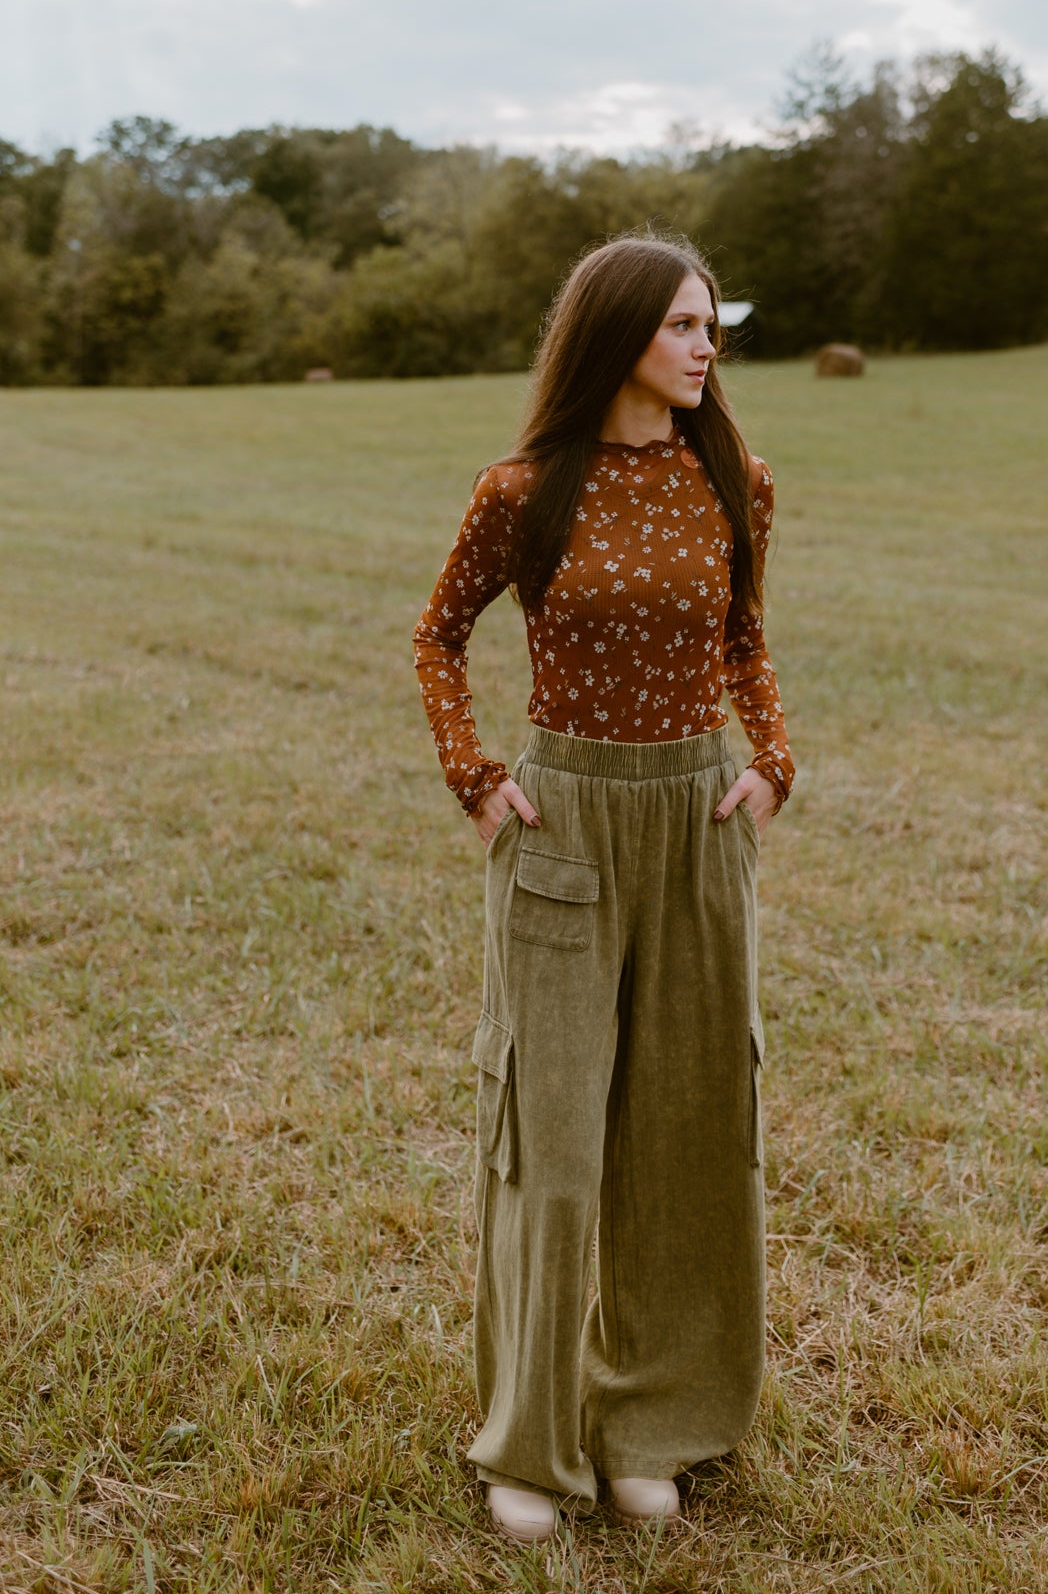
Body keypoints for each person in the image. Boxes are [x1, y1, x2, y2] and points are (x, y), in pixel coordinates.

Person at [412, 234, 795, 1543]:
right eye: (685, 325)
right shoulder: (524, 490)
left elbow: (745, 640)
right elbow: (439, 634)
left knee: (689, 1133)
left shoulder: (732, 479)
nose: (705, 348)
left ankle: (655, 1422)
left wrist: (773, 764)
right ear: (621, 331)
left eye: (711, 329)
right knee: (554, 1137)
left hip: (697, 823)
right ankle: (530, 1440)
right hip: (564, 824)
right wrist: (475, 777)